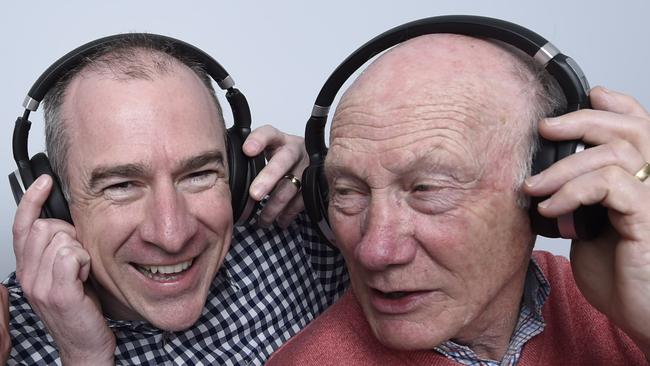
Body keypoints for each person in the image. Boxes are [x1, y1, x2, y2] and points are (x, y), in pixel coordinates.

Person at [267, 34, 650, 364]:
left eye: (427, 189)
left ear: (548, 183)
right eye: (348, 192)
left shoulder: (626, 303)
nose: (375, 251)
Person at [3, 34, 347, 365]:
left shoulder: (297, 231)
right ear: (55, 205)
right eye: (122, 185)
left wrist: (337, 176)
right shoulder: (11, 339)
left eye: (198, 175)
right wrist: (84, 357)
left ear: (239, 170)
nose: (172, 235)